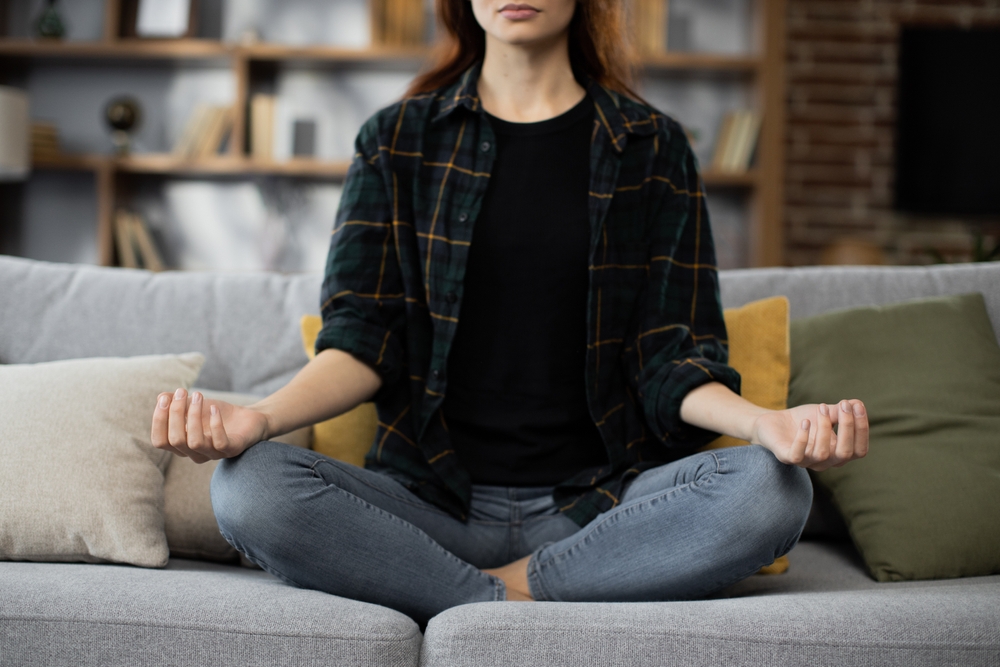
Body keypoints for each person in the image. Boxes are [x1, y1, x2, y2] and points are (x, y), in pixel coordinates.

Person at [151, 0, 868, 625]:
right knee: (248, 486)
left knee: (774, 491)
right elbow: (363, 341)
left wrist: (768, 425)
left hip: (598, 509)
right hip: (429, 506)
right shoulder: (395, 141)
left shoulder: (651, 148)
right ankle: (519, 596)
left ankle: (483, 594)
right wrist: (260, 420)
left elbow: (670, 358)